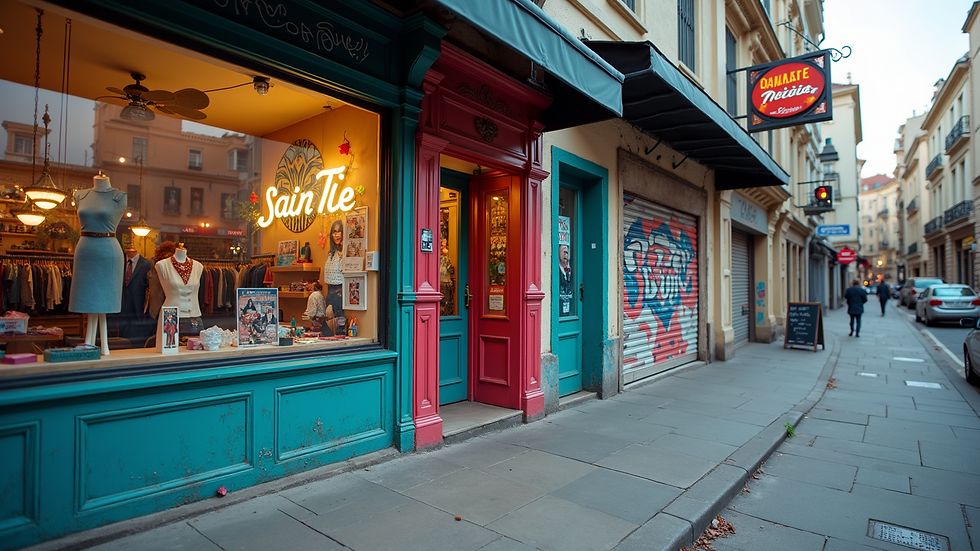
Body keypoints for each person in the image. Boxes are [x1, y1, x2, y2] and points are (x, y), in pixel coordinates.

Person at [70, 174, 127, 355]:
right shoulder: (80, 195)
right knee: (87, 301)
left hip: (108, 250)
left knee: (104, 302)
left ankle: (102, 346)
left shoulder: (119, 197)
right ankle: (90, 344)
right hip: (85, 250)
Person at [322, 220, 344, 335]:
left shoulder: (344, 252)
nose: (336, 234)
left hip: (340, 290)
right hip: (330, 291)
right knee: (329, 317)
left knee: (339, 318)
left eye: (339, 232)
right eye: (334, 232)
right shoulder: (330, 253)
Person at [558, 244, 573, 316]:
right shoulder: (558, 269)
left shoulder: (569, 269)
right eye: (564, 252)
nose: (566, 255)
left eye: (567, 253)